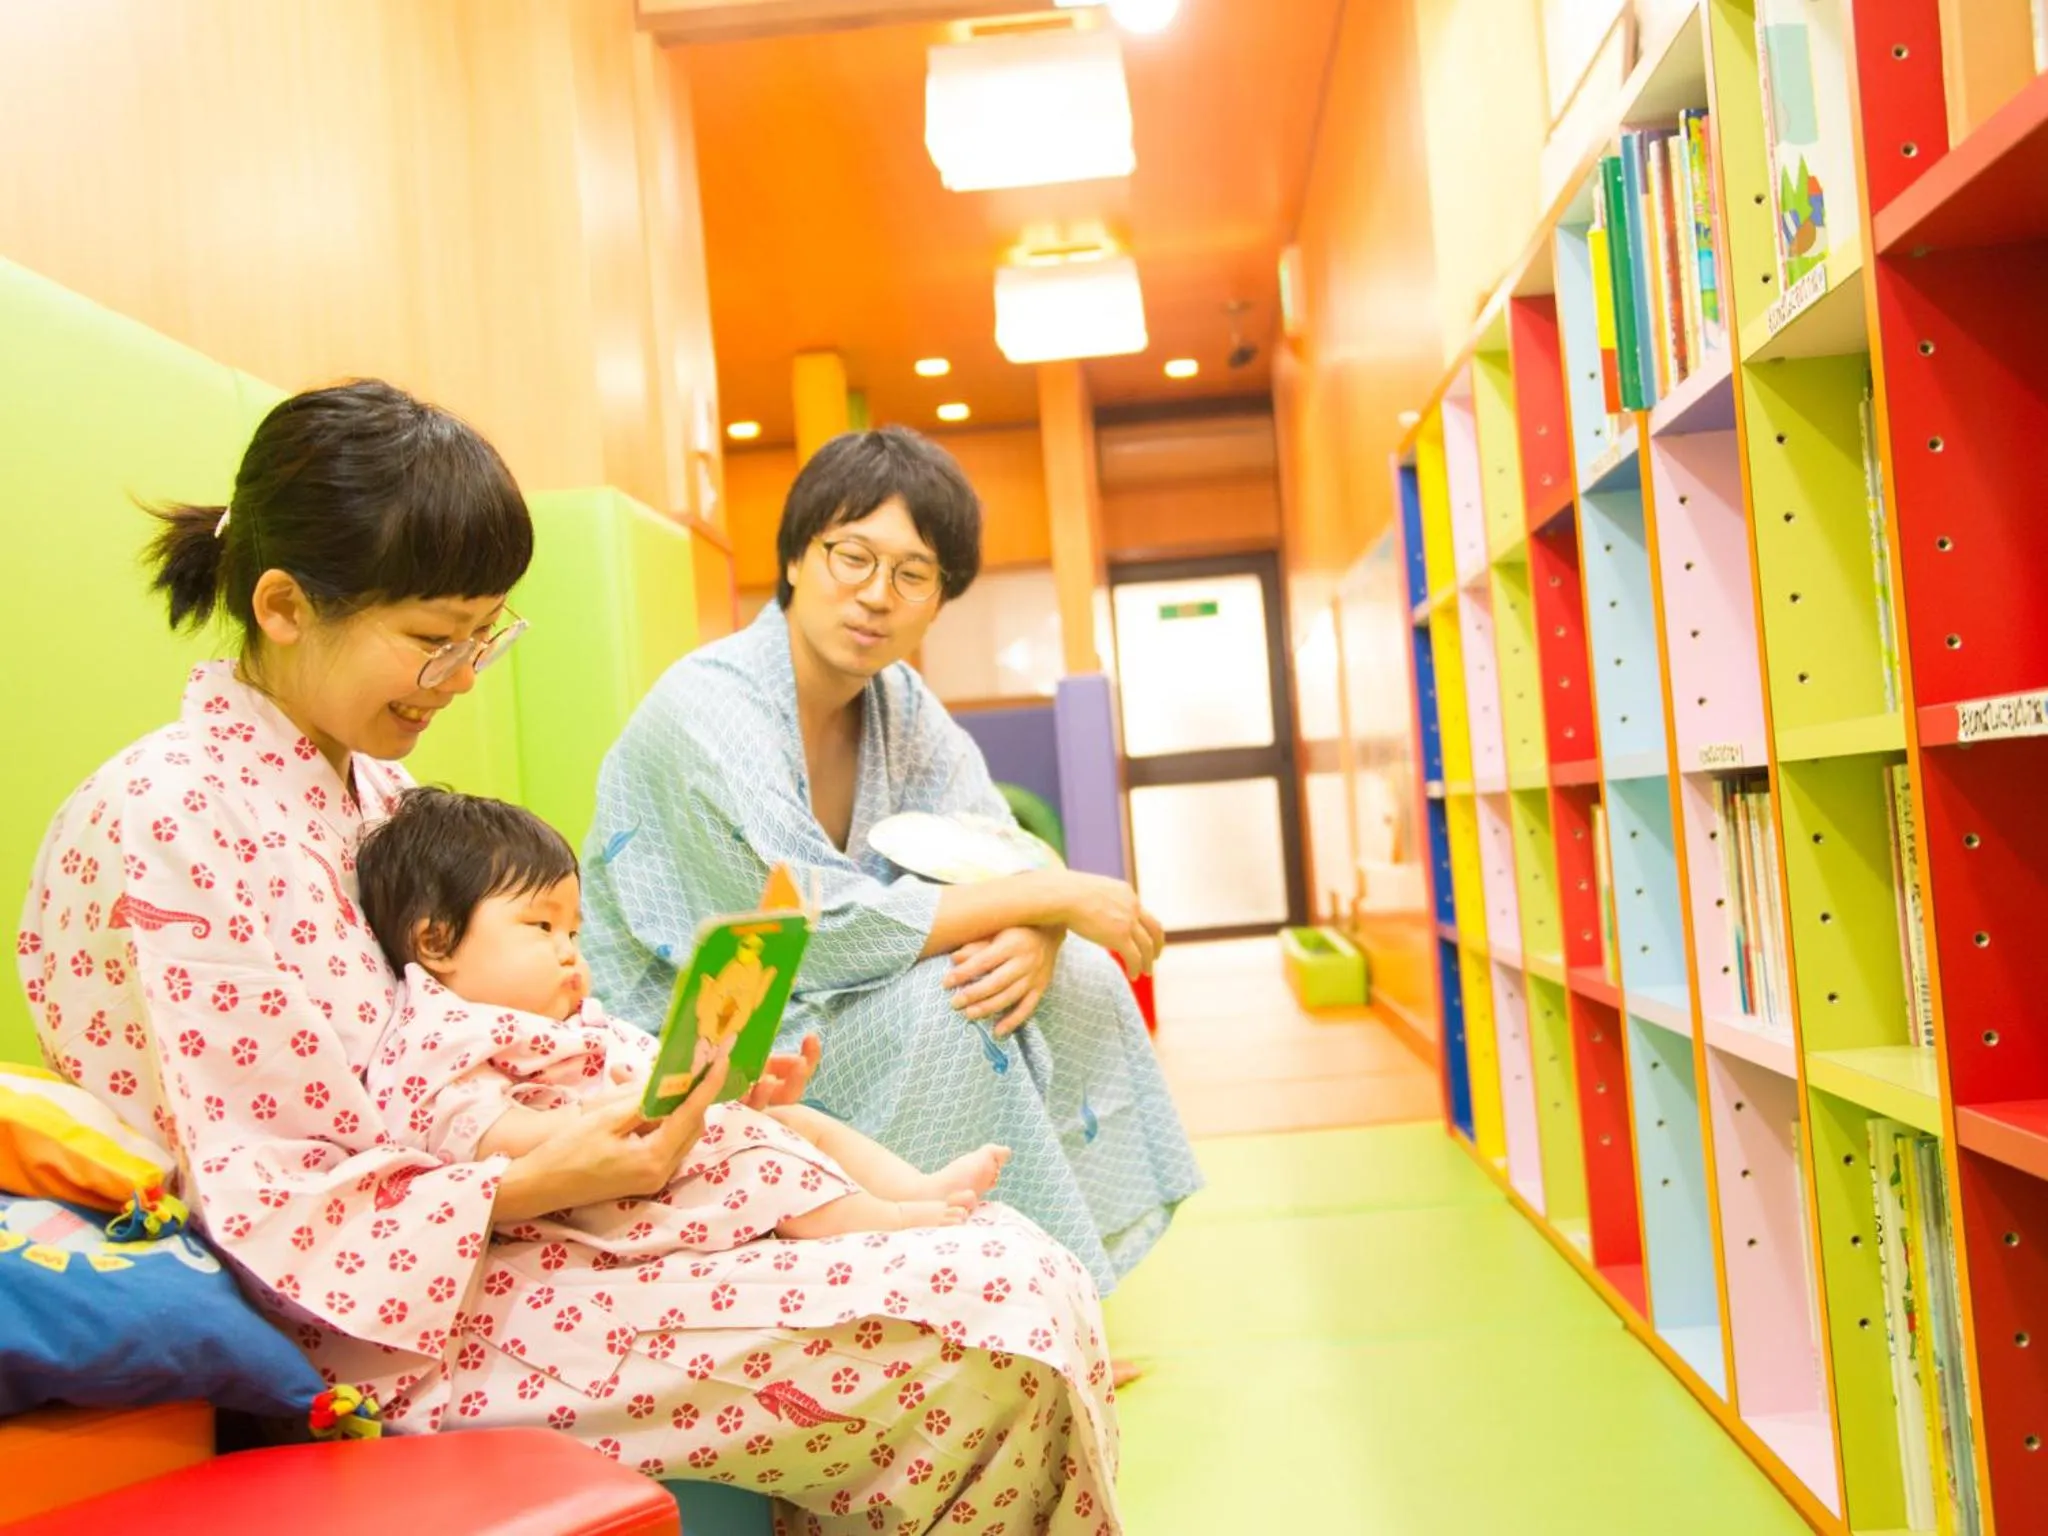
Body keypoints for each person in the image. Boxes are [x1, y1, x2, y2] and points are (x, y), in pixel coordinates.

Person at [19, 381, 1120, 1532]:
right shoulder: (164, 817)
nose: (461, 677)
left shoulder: (384, 793)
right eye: (434, 642)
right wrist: (556, 1173)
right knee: (991, 1316)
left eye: (484, 637)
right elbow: (269, 1197)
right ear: (286, 605)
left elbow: (515, 1023)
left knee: (1017, 1261)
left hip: (517, 1222)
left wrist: (682, 1090)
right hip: (380, 1326)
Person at [579, 426, 1202, 1299]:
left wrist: (1037, 928)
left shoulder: (898, 701)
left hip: (833, 1002)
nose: (877, 595)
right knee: (951, 1006)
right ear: (796, 558)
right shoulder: (709, 706)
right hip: (708, 1038)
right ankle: (967, 1300)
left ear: (939, 598)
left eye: (913, 575)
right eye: (852, 557)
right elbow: (819, 934)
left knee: (1075, 980)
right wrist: (1052, 895)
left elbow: (996, 844)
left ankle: (1060, 1288)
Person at [355, 785, 1010, 1239]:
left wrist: (727, 1086)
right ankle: (886, 1224)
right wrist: (625, 1111)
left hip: (658, 1140)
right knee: (753, 1151)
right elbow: (495, 1140)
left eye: (574, 934)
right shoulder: (442, 1038)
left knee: (795, 1120)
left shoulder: (566, 1018)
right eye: (541, 928)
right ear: (436, 941)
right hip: (598, 1196)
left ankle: (912, 1189)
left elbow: (653, 1069)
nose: (568, 954)